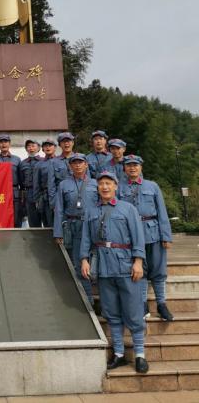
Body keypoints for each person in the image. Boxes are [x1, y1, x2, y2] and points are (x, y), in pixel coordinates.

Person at [80, 170, 148, 374]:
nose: (105, 187)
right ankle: (118, 353)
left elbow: (138, 237)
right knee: (111, 312)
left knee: (133, 310)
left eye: (109, 183)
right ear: (97, 187)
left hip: (126, 265)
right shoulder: (91, 211)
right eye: (101, 183)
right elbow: (85, 238)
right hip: (103, 267)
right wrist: (84, 259)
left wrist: (138, 261)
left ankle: (139, 355)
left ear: (116, 186)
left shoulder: (127, 209)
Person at [118, 155, 174, 321]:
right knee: (139, 271)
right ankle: (142, 303)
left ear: (141, 167)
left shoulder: (152, 186)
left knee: (158, 270)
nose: (132, 168)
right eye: (129, 166)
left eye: (135, 165)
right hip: (132, 235)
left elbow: (162, 211)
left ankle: (161, 303)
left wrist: (166, 235)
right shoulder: (120, 188)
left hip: (153, 233)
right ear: (124, 169)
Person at [53, 153, 98, 304]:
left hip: (92, 226)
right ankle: (88, 299)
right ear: (70, 166)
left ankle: (96, 295)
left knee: (96, 261)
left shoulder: (95, 184)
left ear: (86, 165)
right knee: (80, 262)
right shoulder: (64, 184)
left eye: (81, 162)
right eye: (74, 163)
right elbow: (59, 209)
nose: (78, 165)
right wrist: (58, 231)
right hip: (73, 226)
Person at [0, 134, 22, 227]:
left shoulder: (17, 159)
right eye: (1, 142)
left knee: (16, 219)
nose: (4, 144)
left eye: (6, 142)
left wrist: (22, 194)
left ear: (9, 144)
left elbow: (21, 179)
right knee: (0, 219)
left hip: (14, 192)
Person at [47, 131, 76, 211]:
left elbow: (87, 180)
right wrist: (53, 204)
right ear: (59, 144)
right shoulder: (53, 162)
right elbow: (51, 185)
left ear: (73, 143)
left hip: (78, 197)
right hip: (61, 198)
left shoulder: (81, 159)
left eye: (69, 141)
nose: (66, 144)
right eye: (63, 141)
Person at [33, 138, 57, 228]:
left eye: (50, 145)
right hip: (45, 197)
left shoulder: (61, 161)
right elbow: (36, 184)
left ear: (55, 147)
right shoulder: (39, 164)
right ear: (42, 149)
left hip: (59, 196)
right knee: (48, 223)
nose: (48, 147)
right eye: (45, 146)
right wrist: (37, 200)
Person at [19, 139, 43, 227]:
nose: (31, 148)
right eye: (28, 146)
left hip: (42, 193)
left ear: (39, 148)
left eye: (33, 146)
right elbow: (21, 181)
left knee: (46, 219)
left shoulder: (44, 161)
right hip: (29, 193)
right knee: (33, 220)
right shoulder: (23, 163)